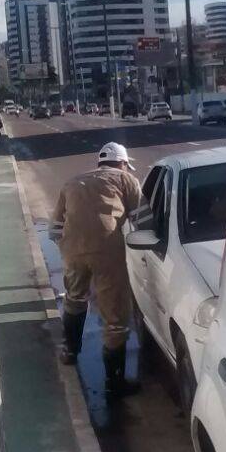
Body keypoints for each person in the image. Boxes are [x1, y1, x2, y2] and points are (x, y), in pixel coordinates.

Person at [50, 142, 143, 397]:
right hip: (107, 251)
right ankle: (114, 383)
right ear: (123, 163)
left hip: (72, 251)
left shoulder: (72, 183)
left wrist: (71, 247)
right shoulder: (126, 179)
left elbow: (54, 229)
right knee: (115, 316)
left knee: (75, 298)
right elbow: (144, 220)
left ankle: (69, 350)